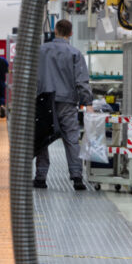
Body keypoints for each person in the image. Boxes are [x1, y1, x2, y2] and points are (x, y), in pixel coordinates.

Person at [34, 19, 92, 190]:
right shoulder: (75, 53)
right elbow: (82, 80)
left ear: (55, 31)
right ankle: (77, 177)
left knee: (42, 138)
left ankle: (40, 178)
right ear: (71, 33)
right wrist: (87, 102)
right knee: (71, 139)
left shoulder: (40, 51)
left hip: (43, 101)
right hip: (67, 102)